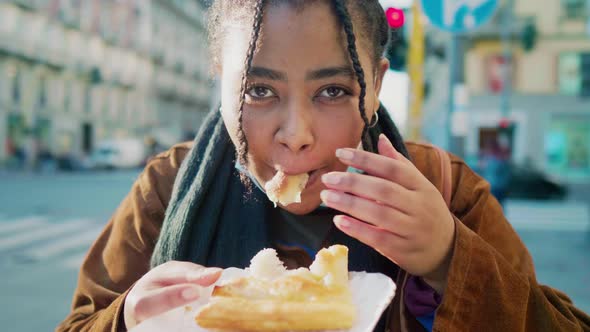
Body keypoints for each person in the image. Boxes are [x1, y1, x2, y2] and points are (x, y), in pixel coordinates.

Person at [57, 1, 590, 331]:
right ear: (218, 82)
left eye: (333, 90)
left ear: (376, 85)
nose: (297, 136)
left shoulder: (445, 190)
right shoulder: (166, 188)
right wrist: (126, 321)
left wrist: (451, 258)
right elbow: (81, 322)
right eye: (258, 90)